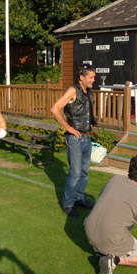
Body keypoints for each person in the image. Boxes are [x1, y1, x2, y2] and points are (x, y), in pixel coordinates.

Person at [50, 63, 97, 217]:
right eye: (91, 77)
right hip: (75, 138)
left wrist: (90, 127)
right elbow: (55, 109)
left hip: (86, 137)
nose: (93, 80)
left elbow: (85, 112)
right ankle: (68, 204)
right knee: (75, 173)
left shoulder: (88, 91)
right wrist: (68, 127)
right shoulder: (72, 90)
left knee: (84, 172)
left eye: (94, 77)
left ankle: (79, 199)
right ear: (81, 77)